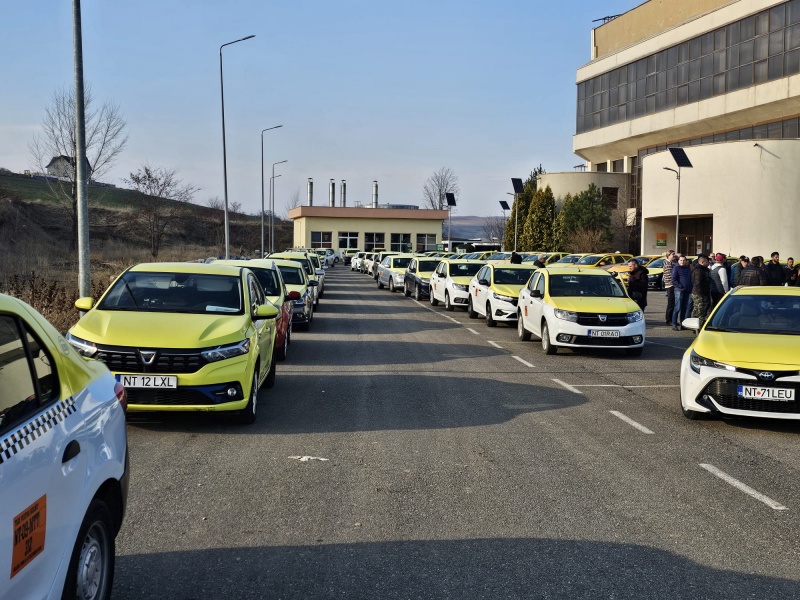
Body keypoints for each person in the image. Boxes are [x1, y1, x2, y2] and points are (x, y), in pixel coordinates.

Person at [671, 254, 692, 330]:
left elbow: (689, 279)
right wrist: (680, 286)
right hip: (679, 291)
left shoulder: (687, 268)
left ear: (686, 261)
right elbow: (673, 280)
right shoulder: (676, 268)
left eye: (684, 260)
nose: (682, 262)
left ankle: (683, 324)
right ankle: (674, 324)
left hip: (687, 291)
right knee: (677, 308)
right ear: (678, 261)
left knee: (684, 309)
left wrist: (690, 287)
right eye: (681, 260)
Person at [691, 255, 712, 328]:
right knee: (700, 312)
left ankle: (698, 326)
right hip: (699, 295)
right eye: (707, 262)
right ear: (703, 262)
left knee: (702, 311)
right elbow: (698, 284)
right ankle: (697, 327)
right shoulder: (698, 271)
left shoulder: (704, 270)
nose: (708, 263)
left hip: (703, 293)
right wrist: (701, 295)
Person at [662, 250, 677, 325]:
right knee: (671, 303)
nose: (674, 256)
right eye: (672, 254)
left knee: (673, 303)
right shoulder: (667, 264)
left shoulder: (671, 263)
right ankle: (668, 320)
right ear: (668, 255)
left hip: (671, 285)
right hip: (670, 285)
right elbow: (670, 276)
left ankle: (670, 319)